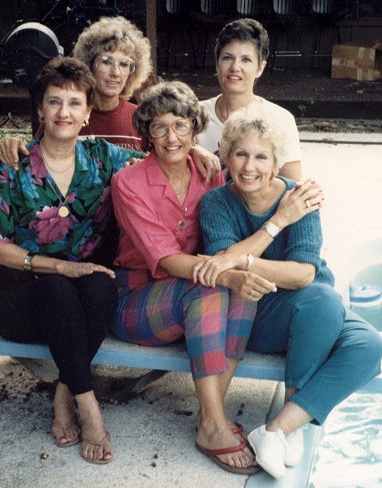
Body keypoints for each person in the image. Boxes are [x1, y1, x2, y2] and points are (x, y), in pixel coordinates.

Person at [196, 104, 382, 480]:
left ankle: (280, 428)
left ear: (276, 161)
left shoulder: (300, 196)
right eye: (241, 154)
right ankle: (292, 419)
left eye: (261, 157)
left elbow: (303, 273)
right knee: (321, 298)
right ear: (227, 156)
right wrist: (277, 223)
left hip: (312, 309)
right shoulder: (216, 203)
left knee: (368, 345)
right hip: (255, 313)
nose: (250, 167)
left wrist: (244, 259)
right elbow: (225, 264)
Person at [0, 57, 146, 465]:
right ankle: (90, 409)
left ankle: (63, 393)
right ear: (40, 108)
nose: (64, 112)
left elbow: (162, 157)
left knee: (102, 287)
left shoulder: (103, 157)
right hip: (18, 293)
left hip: (80, 292)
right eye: (54, 102)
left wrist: (199, 152)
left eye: (74, 103)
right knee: (57, 287)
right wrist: (60, 267)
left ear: (88, 113)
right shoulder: (13, 164)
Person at [110, 80, 276, 475]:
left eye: (181, 126)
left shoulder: (208, 174)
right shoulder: (128, 182)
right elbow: (165, 259)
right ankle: (215, 426)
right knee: (213, 286)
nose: (172, 137)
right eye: (160, 127)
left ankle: (209, 414)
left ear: (195, 129)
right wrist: (225, 275)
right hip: (138, 301)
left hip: (197, 293)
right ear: (147, 132)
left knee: (243, 291)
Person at [0, 16, 220, 180]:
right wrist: (13, 146)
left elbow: (167, 154)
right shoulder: (69, 116)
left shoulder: (141, 117)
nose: (115, 72)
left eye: (124, 64)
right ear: (89, 63)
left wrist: (194, 150)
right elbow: (35, 156)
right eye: (106, 61)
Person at [197, 18, 302, 180]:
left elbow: (292, 185)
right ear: (217, 64)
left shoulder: (280, 120)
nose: (235, 67)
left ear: (260, 68)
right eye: (227, 58)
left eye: (246, 60)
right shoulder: (195, 114)